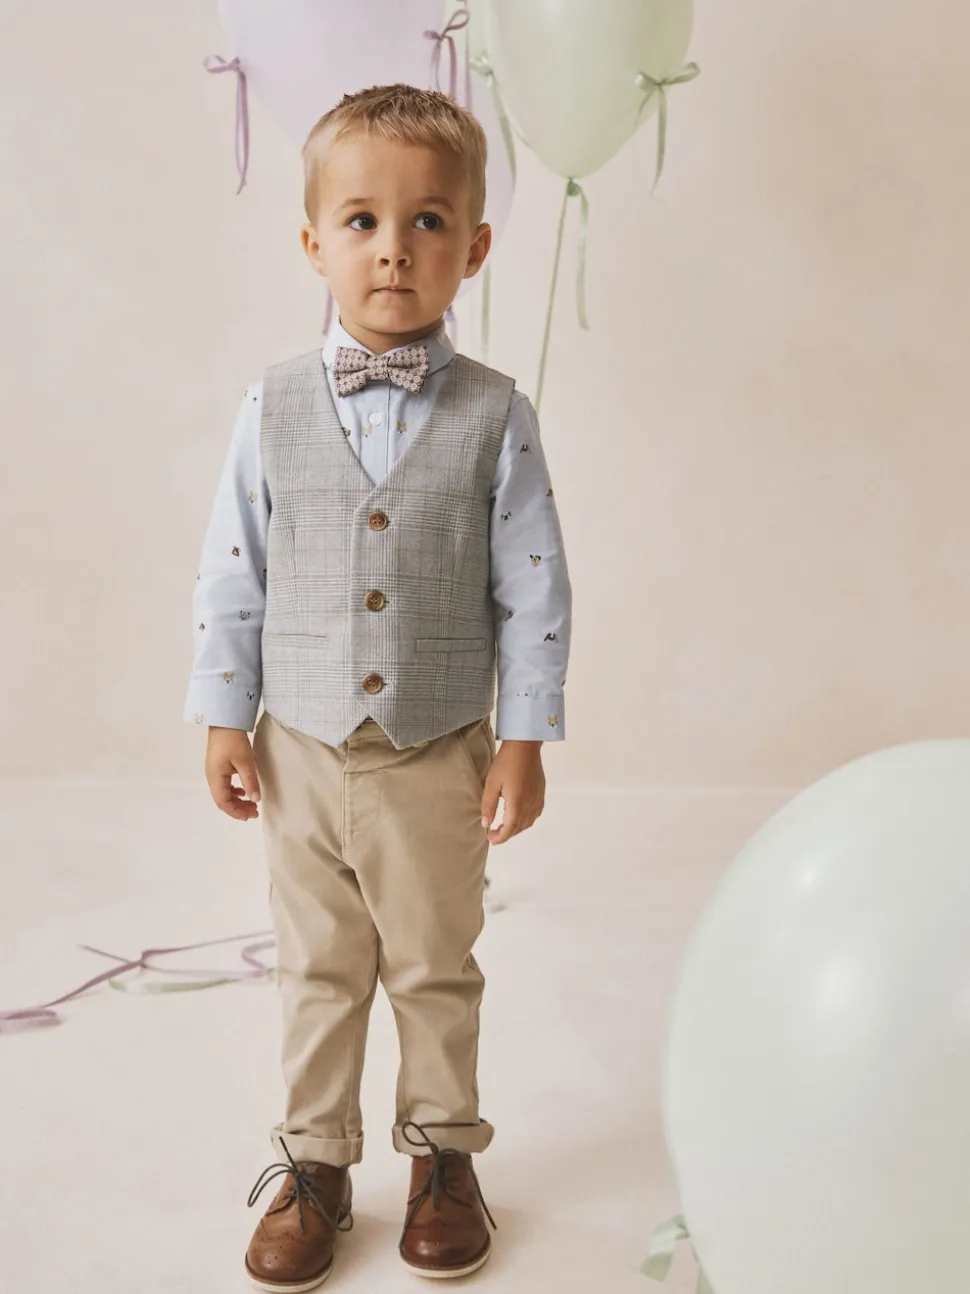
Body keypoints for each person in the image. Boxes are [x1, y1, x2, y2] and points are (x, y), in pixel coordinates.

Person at [184, 82, 572, 1289]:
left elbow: (534, 588)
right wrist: (223, 713)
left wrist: (523, 738)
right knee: (316, 965)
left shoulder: (496, 414)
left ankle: (444, 1155)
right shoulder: (272, 405)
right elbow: (234, 565)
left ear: (475, 246)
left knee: (435, 964)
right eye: (361, 221)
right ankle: (315, 1163)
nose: (392, 249)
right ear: (314, 242)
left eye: (426, 222)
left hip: (436, 749)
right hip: (299, 745)